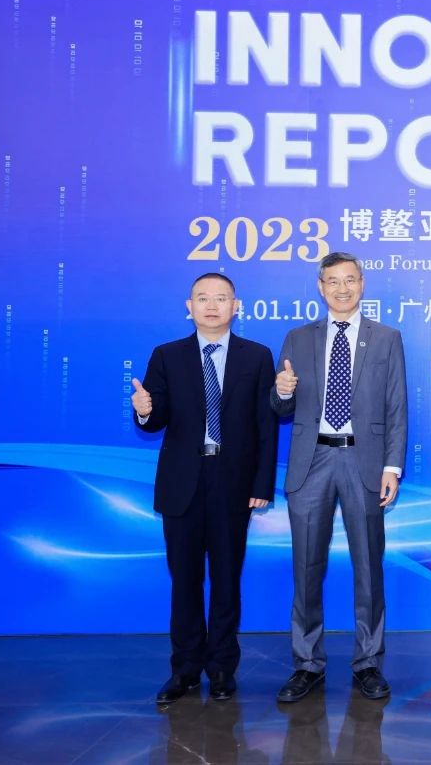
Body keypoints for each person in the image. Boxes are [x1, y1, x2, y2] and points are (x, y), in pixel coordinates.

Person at [132, 272, 277, 704]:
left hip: (234, 483)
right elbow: (155, 419)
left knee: (227, 579)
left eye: (221, 298)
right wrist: (144, 411)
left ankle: (222, 668)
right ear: (188, 306)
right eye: (202, 298)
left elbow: (266, 425)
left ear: (236, 306)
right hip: (182, 483)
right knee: (185, 580)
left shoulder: (257, 356)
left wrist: (262, 483)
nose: (211, 306)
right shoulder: (167, 355)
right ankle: (185, 669)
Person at [271, 252, 408, 703]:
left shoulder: (386, 338)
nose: (342, 289)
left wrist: (392, 466)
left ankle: (368, 662)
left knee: (368, 567)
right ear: (321, 287)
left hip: (363, 462)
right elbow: (281, 407)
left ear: (362, 283)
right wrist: (280, 392)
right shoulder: (298, 338)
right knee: (306, 567)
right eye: (333, 281)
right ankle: (307, 663)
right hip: (311, 462)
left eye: (350, 280)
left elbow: (396, 407)